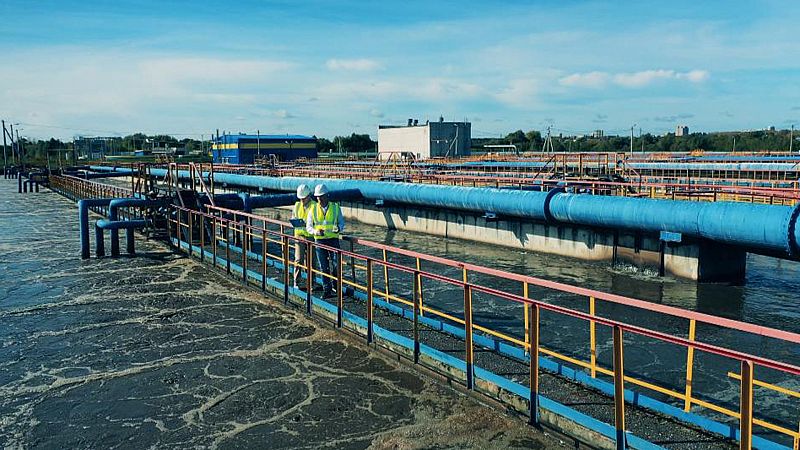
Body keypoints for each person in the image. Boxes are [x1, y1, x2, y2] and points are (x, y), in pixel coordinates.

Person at [306, 183, 344, 298]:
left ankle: (336, 287)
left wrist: (339, 228)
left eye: (321, 196)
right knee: (324, 267)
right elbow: (309, 227)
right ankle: (327, 290)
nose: (319, 199)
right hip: (320, 241)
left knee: (336, 265)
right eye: (317, 197)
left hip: (333, 239)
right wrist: (316, 232)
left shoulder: (335, 207)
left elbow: (341, 223)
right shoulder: (313, 209)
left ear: (327, 195)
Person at [291, 184, 315, 289]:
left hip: (311, 237)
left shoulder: (314, 206)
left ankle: (311, 283)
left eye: (303, 198)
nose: (302, 201)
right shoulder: (297, 205)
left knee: (311, 261)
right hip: (299, 236)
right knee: (298, 260)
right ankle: (296, 282)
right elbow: (294, 217)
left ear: (309, 196)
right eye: (300, 198)